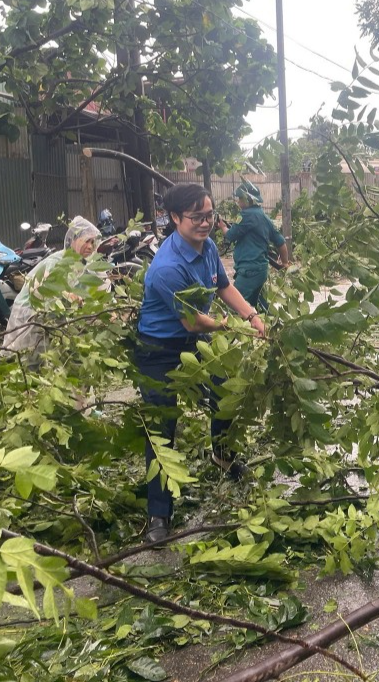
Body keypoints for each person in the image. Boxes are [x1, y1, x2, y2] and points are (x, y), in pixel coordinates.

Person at [135, 183, 266, 543]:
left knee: (225, 390)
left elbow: (224, 287)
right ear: (176, 218)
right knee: (163, 426)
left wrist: (252, 315)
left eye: (210, 215)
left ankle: (221, 455)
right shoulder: (166, 267)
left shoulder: (207, 247)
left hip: (193, 340)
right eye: (197, 217)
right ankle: (158, 515)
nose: (206, 223)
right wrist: (229, 326)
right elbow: (193, 320)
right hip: (158, 350)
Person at [3, 216, 102, 362]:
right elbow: (40, 291)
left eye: (93, 242)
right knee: (24, 360)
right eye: (86, 241)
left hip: (51, 317)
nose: (90, 246)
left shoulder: (82, 266)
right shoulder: (57, 261)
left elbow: (89, 292)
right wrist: (67, 295)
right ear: (74, 240)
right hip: (30, 313)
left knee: (48, 358)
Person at [220, 180, 290, 312]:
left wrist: (223, 227)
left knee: (234, 306)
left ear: (247, 200)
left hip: (249, 270)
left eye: (240, 198)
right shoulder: (264, 216)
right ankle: (272, 327)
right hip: (260, 269)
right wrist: (285, 263)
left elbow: (230, 235)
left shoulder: (246, 215)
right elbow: (280, 242)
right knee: (258, 305)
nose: (238, 201)